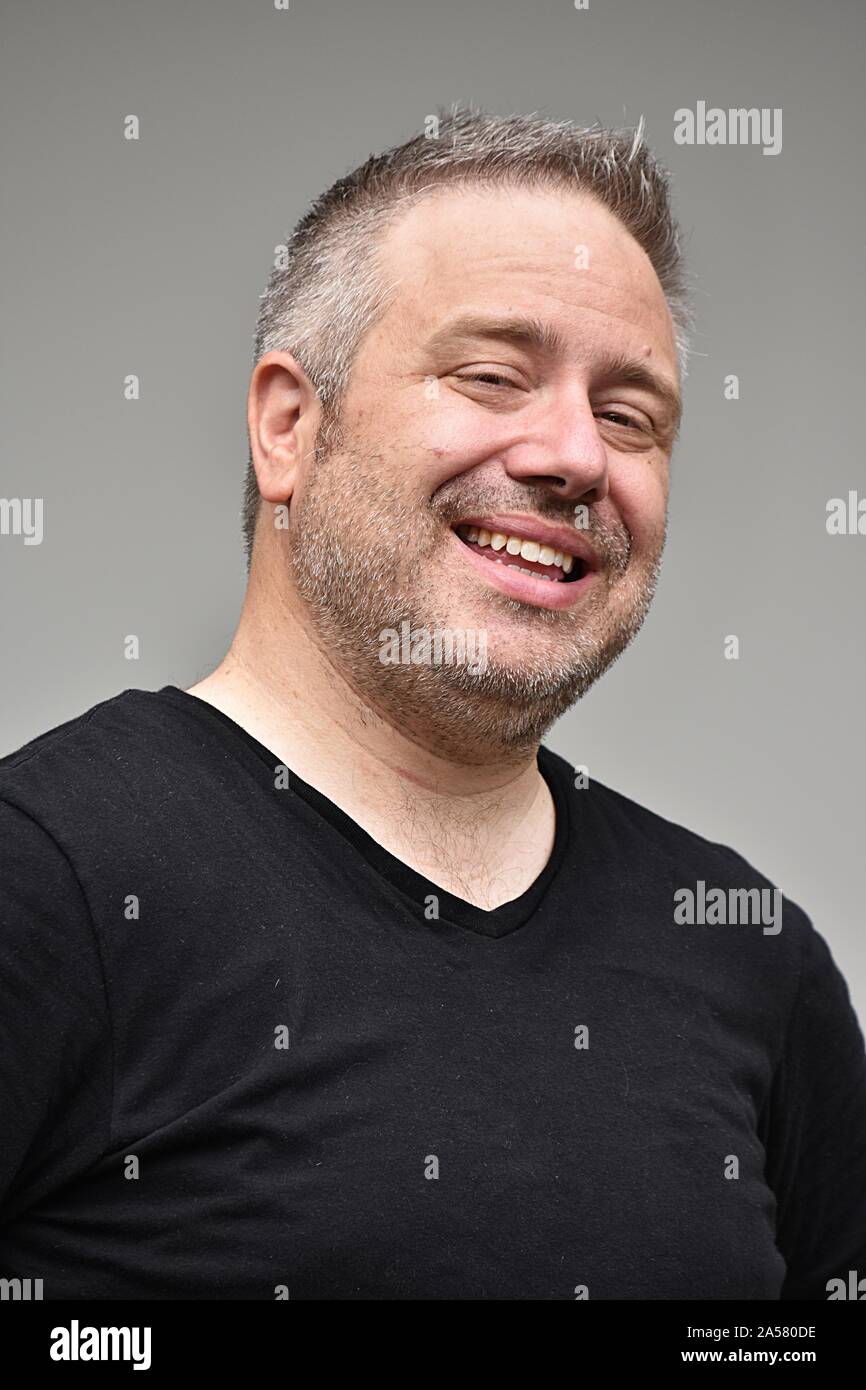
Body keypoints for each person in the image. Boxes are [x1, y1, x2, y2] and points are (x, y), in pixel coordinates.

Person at [1, 107, 864, 1301]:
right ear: (289, 428)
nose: (571, 455)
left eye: (628, 416)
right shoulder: (48, 880)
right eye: (490, 375)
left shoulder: (745, 954)